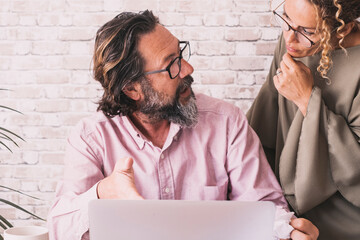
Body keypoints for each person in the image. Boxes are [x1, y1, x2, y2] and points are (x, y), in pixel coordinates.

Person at [47, 11, 318, 240]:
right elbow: (59, 226)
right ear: (132, 89)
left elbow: (264, 209)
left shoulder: (227, 122)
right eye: (171, 65)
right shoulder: (91, 138)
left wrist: (288, 231)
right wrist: (103, 192)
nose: (187, 69)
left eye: (181, 54)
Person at [246, 0, 360, 239]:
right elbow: (262, 126)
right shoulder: (292, 43)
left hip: (345, 219)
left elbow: (354, 168)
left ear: (344, 29)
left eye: (308, 31)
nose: (290, 38)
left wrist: (307, 99)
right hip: (285, 213)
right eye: (286, 18)